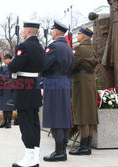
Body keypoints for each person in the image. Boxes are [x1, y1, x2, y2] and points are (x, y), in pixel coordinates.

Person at [8, 21, 45, 167]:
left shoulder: (24, 46)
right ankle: (34, 157)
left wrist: (11, 63)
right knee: (35, 123)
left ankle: (29, 158)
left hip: (24, 89)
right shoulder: (40, 48)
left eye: (24, 30)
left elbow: (13, 66)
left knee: (26, 124)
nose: (23, 32)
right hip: (35, 87)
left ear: (29, 31)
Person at [42, 20, 74, 162]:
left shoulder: (54, 46)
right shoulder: (68, 47)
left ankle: (59, 151)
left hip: (54, 82)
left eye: (52, 30)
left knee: (56, 116)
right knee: (64, 115)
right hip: (65, 82)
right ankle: (62, 150)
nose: (51, 32)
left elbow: (44, 64)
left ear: (57, 32)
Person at [69, 25, 99, 155]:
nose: (77, 36)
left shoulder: (79, 49)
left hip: (80, 83)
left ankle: (84, 147)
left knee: (81, 115)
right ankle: (87, 145)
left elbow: (70, 65)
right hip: (90, 82)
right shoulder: (92, 48)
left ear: (83, 36)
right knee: (90, 115)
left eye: (79, 34)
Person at [0, 54, 15, 129]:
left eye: (6, 58)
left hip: (10, 88)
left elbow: (12, 77)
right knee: (3, 106)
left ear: (10, 59)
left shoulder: (13, 67)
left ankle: (9, 122)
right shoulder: (2, 67)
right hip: (3, 88)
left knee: (9, 106)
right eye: (4, 58)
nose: (4, 60)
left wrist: (4, 77)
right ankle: (4, 121)